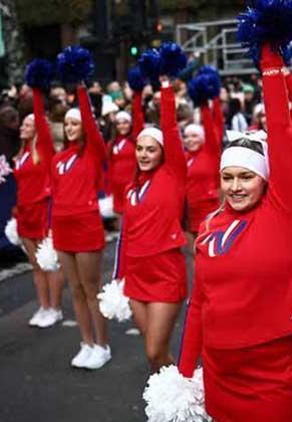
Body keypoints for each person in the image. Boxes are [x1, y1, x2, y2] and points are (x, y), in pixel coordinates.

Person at [178, 45, 292, 421]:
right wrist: (186, 375)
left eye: (246, 177)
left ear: (266, 179)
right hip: (219, 372)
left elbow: (284, 132)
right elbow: (200, 303)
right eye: (227, 177)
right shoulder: (209, 227)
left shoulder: (284, 212)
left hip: (272, 373)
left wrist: (271, 62)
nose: (235, 187)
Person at [116, 74, 187, 372]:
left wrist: (166, 87)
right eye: (140, 148)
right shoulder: (131, 188)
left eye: (151, 149)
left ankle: (185, 401)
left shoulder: (172, 176)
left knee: (155, 350)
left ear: (163, 153)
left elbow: (169, 129)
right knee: (154, 355)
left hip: (164, 272)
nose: (144, 154)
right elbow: (125, 234)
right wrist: (119, 275)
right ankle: (169, 405)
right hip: (135, 273)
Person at [51, 83, 110, 368]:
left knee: (90, 288)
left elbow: (90, 122)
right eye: (67, 124)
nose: (71, 127)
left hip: (86, 226)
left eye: (76, 123)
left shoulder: (93, 152)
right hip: (61, 228)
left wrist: (80, 89)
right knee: (74, 289)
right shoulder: (58, 158)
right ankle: (85, 342)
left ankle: (102, 345)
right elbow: (56, 194)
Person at [12, 84, 59, 328]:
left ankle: (55, 307)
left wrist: (37, 93)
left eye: (28, 125)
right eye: (23, 124)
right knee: (35, 265)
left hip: (42, 210)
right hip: (25, 212)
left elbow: (41, 121)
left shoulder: (43, 149)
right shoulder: (20, 154)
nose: (23, 127)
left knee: (47, 262)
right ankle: (43, 305)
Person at [183, 99, 222, 243]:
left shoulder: (210, 152)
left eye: (194, 136)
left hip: (208, 209)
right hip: (189, 211)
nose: (189, 140)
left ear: (202, 138)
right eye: (186, 137)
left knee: (210, 251)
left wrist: (204, 103)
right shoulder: (185, 157)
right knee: (195, 254)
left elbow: (211, 128)